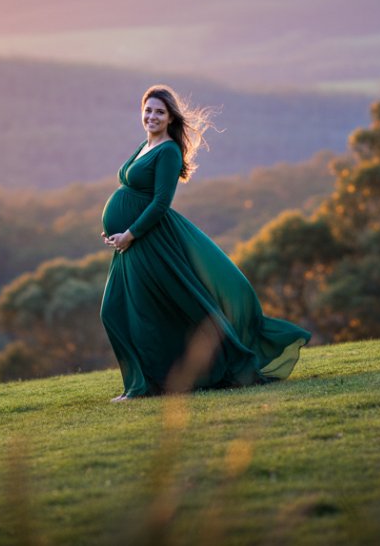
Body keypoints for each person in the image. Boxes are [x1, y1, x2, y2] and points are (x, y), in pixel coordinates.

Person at [99, 85, 311, 401]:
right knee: (117, 310)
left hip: (148, 241)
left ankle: (145, 387)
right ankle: (148, 384)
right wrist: (116, 231)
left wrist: (129, 233)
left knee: (138, 312)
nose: (152, 116)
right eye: (148, 110)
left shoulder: (168, 151)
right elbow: (131, 191)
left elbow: (160, 203)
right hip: (130, 243)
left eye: (159, 111)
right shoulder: (146, 144)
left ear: (170, 118)